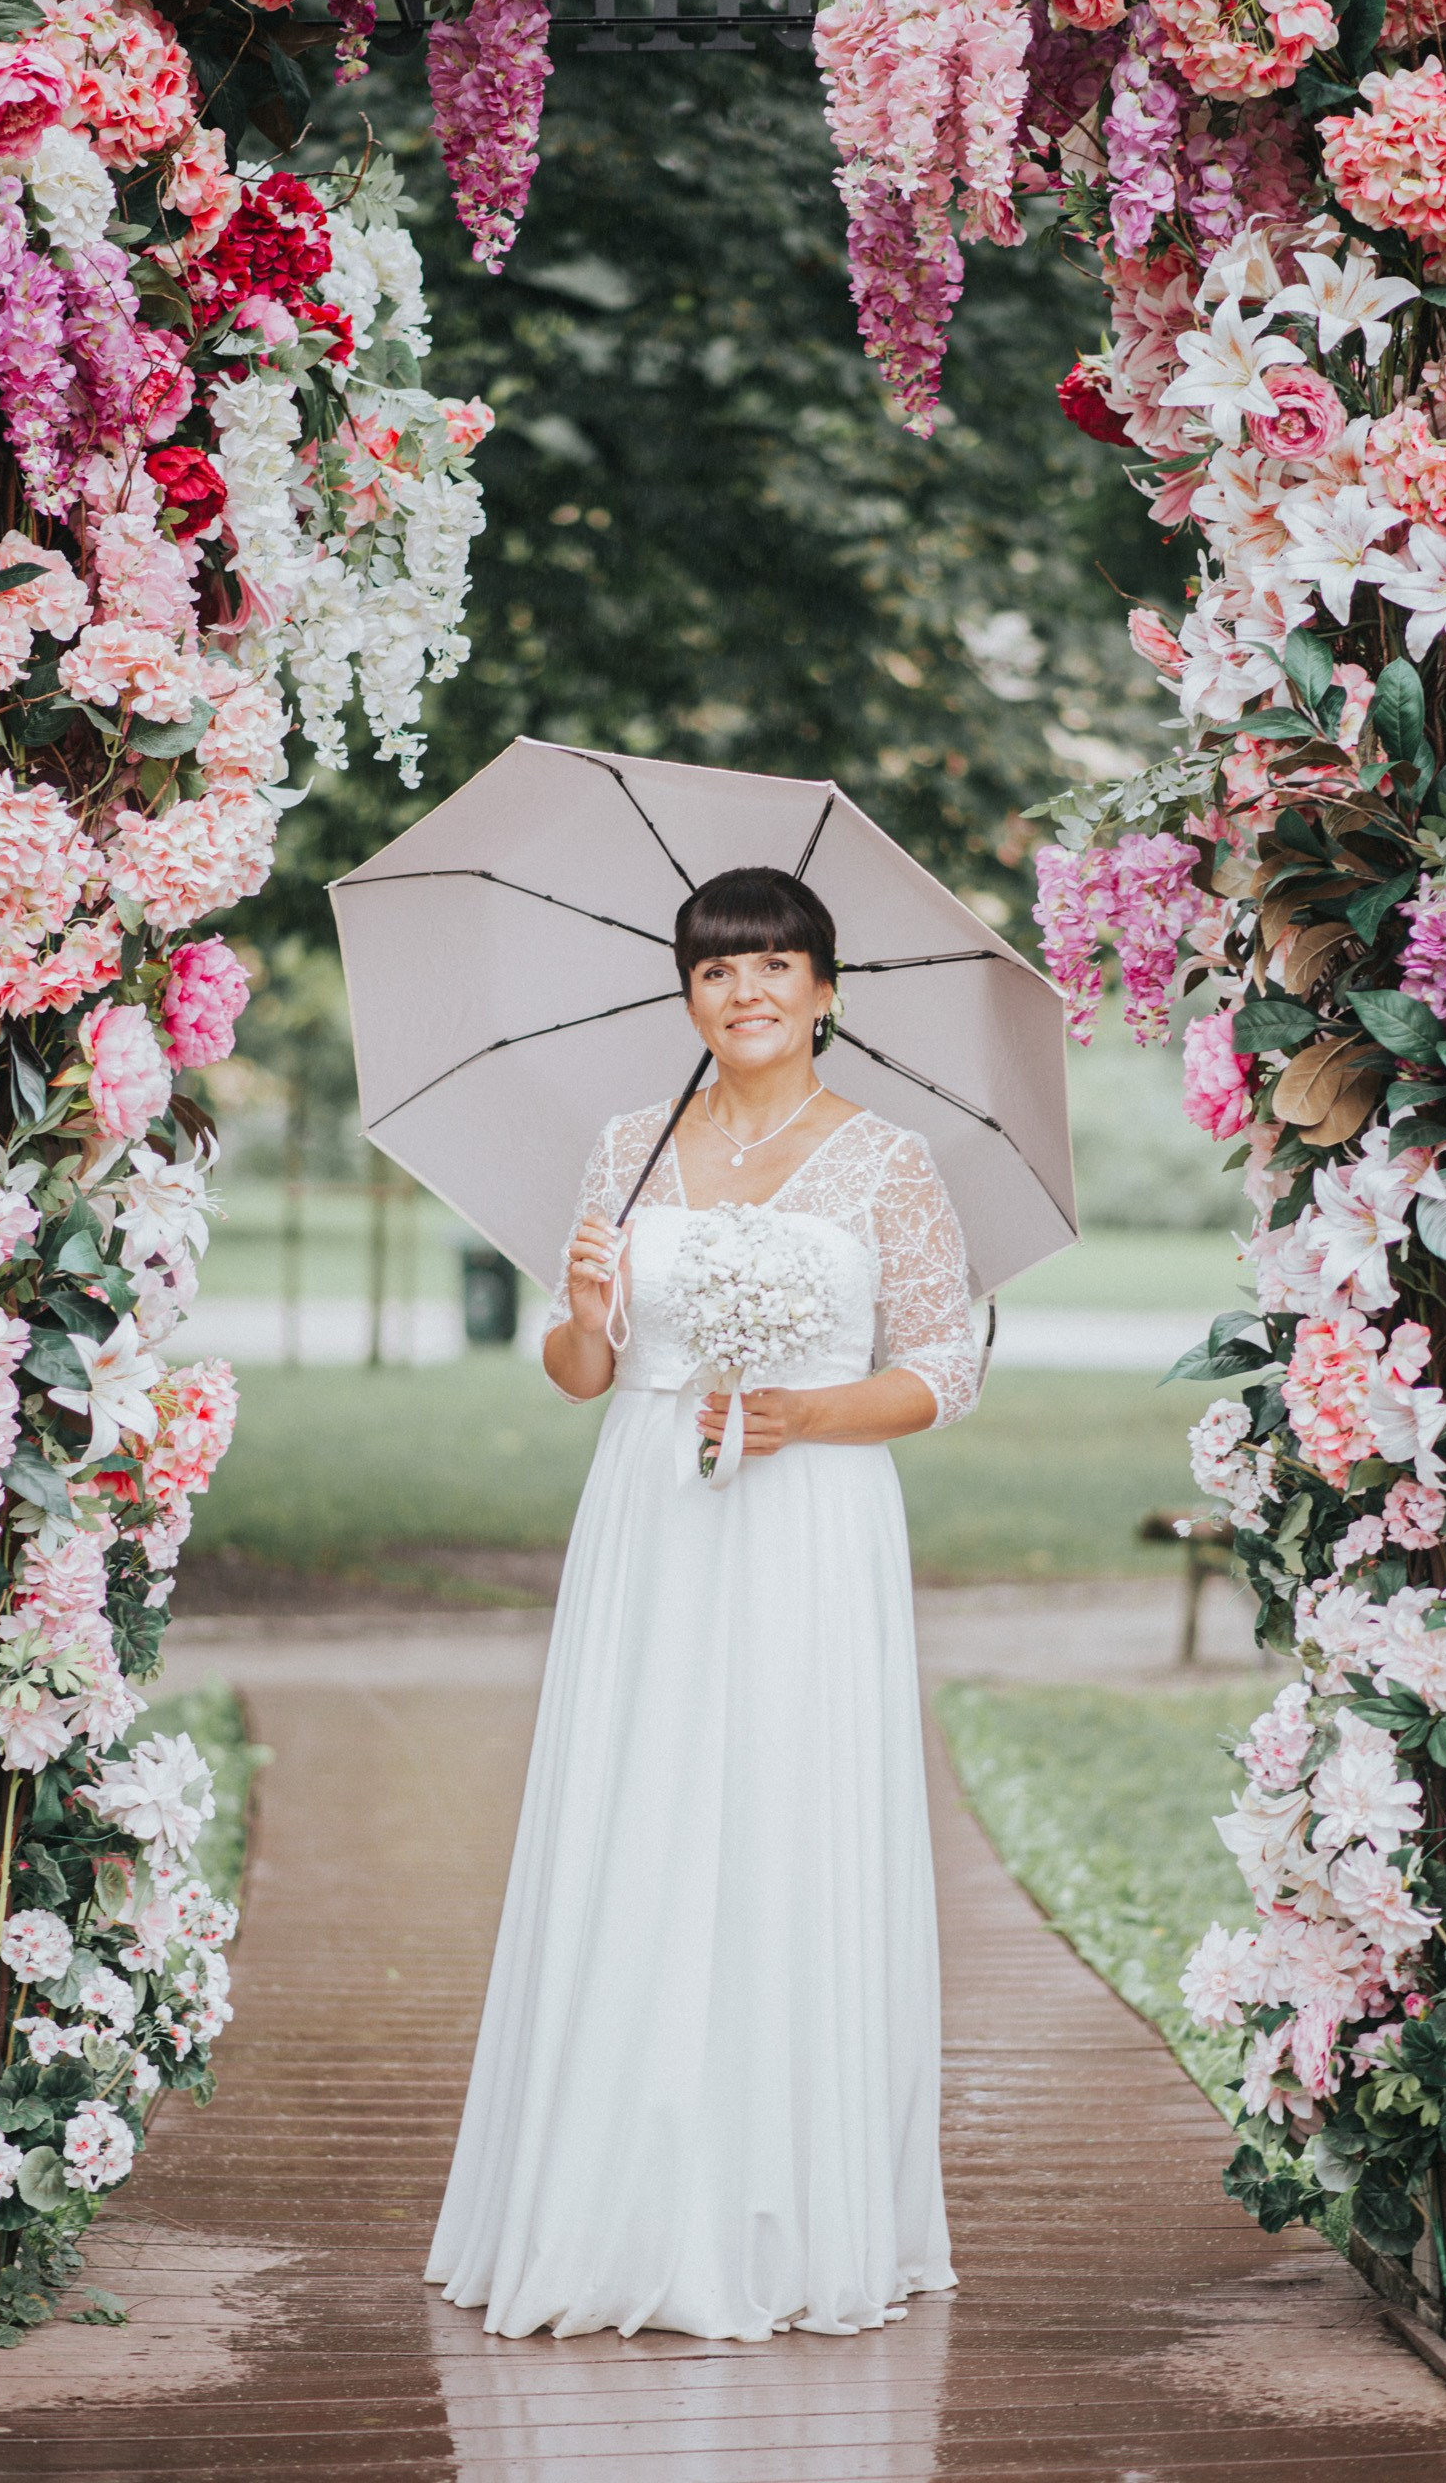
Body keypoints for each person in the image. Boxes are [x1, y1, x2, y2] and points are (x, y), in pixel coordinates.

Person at [425, 864, 982, 2342]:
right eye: (716, 969)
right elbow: (581, 1378)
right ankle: (614, 2194)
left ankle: (786, 2203)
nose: (744, 992)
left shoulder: (889, 1161)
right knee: (645, 1812)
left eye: (773, 964)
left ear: (825, 991)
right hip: (651, 1518)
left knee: (789, 1812)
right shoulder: (629, 1148)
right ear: (687, 997)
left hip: (812, 1523)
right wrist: (584, 1317)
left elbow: (947, 1364)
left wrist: (807, 1415)